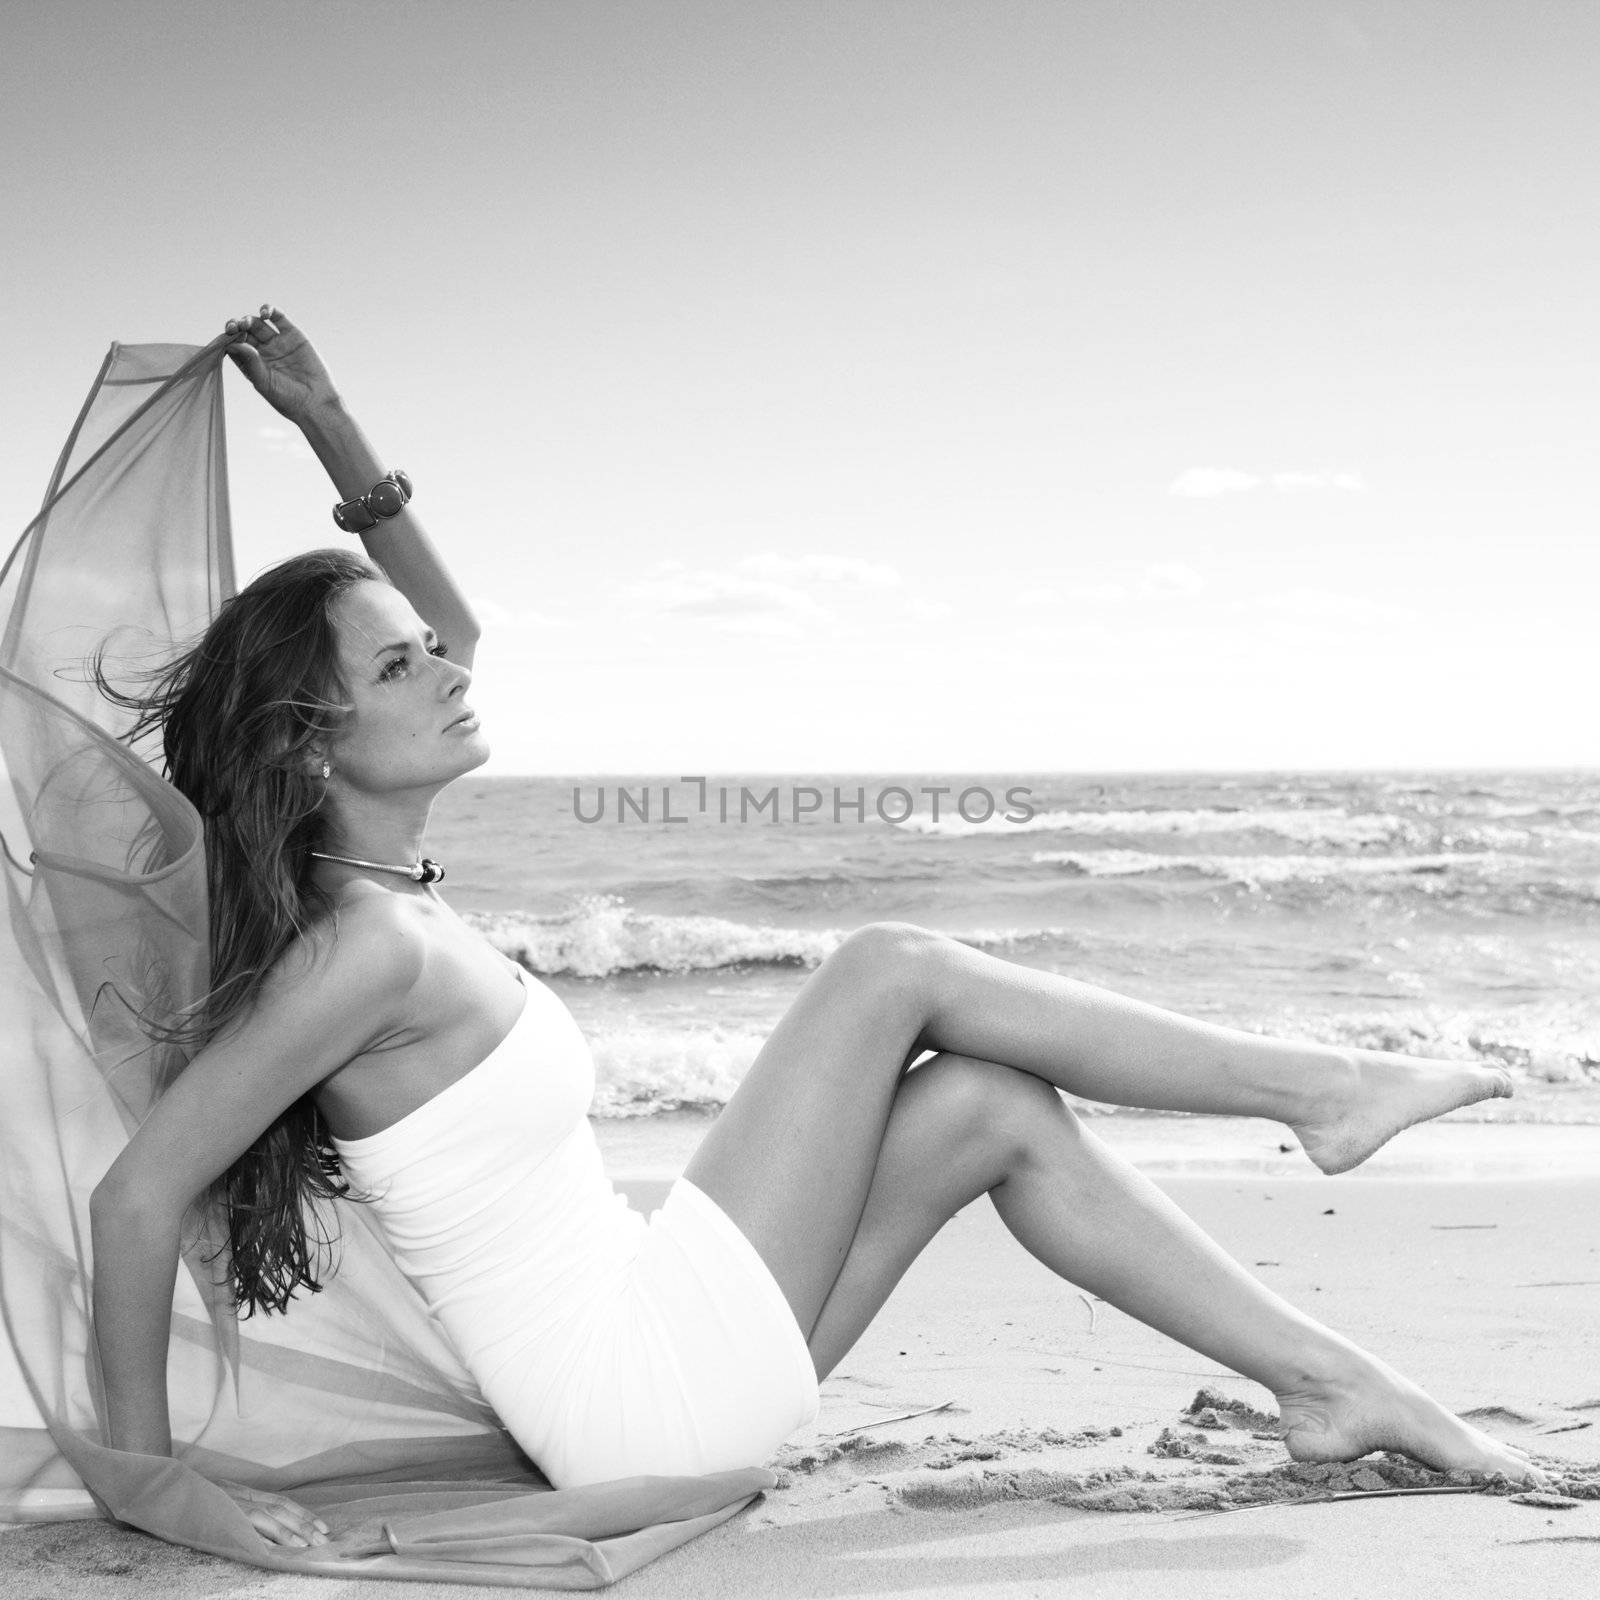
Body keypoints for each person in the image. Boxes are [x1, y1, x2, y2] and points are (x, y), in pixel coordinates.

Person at [89, 305, 1543, 1552]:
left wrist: (333, 425)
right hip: (638, 1398)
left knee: (988, 1103)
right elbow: (139, 1196)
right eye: (401, 670)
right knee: (890, 968)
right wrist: (152, 1485)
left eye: (424, 651)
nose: (448, 673)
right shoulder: (368, 949)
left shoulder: (399, 893)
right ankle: (1321, 1092)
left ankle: (1332, 1381)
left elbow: (458, 627)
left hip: (652, 1341)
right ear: (311, 746)